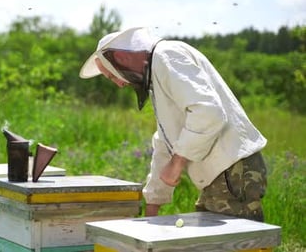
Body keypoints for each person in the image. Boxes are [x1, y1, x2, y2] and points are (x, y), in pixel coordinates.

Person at [79, 27, 268, 222]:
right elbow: (165, 139)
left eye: (112, 76)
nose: (119, 84)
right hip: (221, 176)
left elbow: (208, 112)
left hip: (232, 171)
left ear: (122, 58)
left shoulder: (167, 56)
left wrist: (177, 163)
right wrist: (153, 205)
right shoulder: (157, 72)